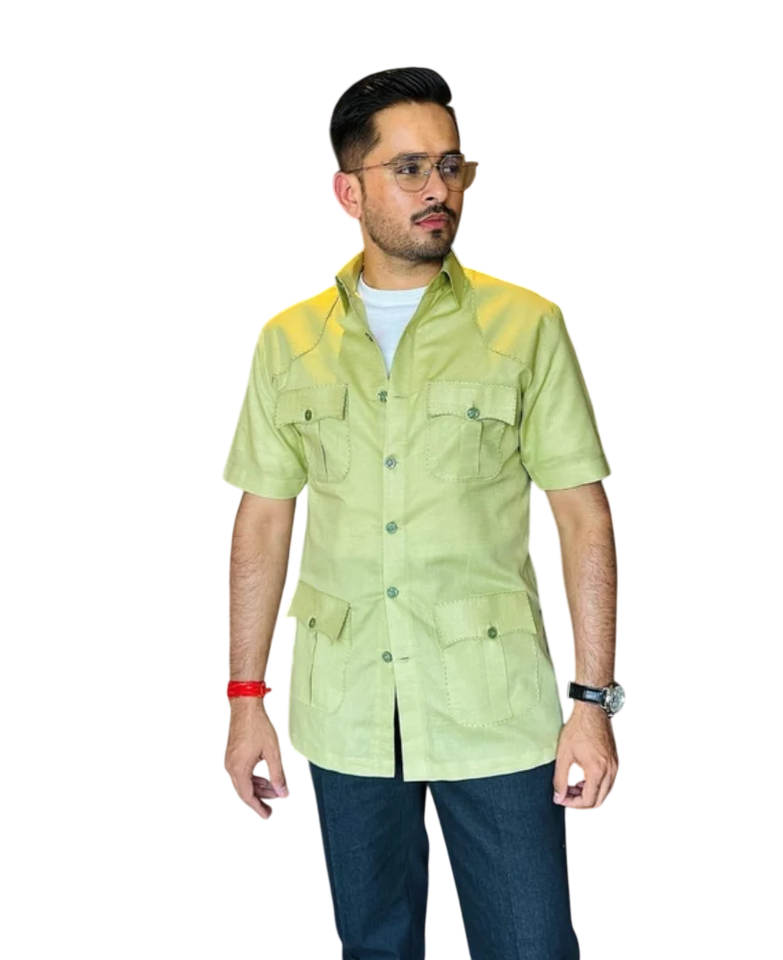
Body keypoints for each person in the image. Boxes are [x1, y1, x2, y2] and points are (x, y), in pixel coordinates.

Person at [222, 66, 623, 960]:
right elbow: (263, 522)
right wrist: (246, 700)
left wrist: (592, 703)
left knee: (528, 946)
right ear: (348, 190)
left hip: (494, 708)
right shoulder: (289, 343)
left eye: (449, 165)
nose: (437, 188)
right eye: (408, 169)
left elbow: (581, 517)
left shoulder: (525, 326)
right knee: (373, 945)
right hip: (346, 709)